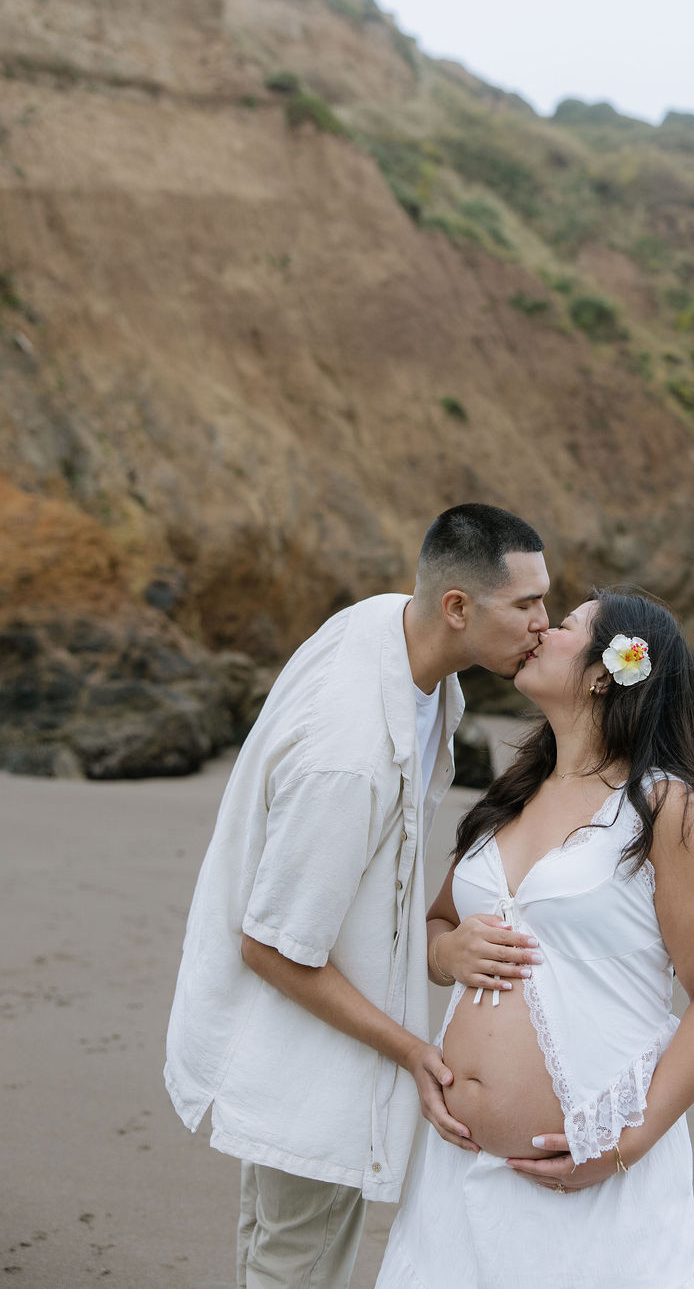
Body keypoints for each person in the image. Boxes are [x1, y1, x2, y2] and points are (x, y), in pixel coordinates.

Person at [164, 503, 550, 1289]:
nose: (545, 623)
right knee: (297, 1261)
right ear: (457, 607)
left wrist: (436, 948)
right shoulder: (351, 757)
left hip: (319, 1025)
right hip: (307, 1042)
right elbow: (270, 944)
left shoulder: (391, 632)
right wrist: (414, 1049)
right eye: (527, 604)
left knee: (280, 1242)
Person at [376, 588, 694, 1289]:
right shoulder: (510, 796)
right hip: (455, 1176)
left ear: (610, 669)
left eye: (567, 623)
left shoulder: (666, 810)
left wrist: (624, 1147)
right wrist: (444, 952)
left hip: (595, 1175)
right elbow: (437, 924)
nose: (541, 628)